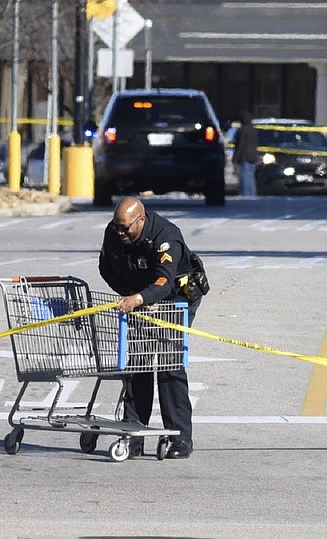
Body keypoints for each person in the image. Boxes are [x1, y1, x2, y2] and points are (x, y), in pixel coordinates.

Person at [98, 197, 204, 460]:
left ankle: (179, 436)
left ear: (141, 220)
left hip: (176, 297)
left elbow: (164, 280)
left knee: (169, 363)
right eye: (117, 227)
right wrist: (132, 294)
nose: (120, 233)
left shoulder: (166, 236)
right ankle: (134, 433)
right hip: (140, 297)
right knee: (138, 363)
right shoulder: (114, 232)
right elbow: (106, 267)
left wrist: (144, 298)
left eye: (126, 228)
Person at [232, 117, 259, 196]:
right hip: (253, 155)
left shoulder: (242, 130)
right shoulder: (254, 130)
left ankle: (245, 193)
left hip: (244, 156)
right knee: (251, 176)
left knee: (244, 175)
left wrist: (235, 158)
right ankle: (252, 193)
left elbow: (240, 145)